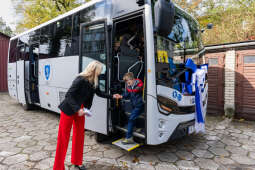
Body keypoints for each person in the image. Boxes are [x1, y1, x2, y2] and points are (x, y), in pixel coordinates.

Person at [53, 61, 115, 170]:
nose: (100, 74)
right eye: (99, 71)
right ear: (93, 70)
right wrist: (77, 109)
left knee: (79, 136)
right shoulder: (80, 79)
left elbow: (100, 93)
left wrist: (113, 96)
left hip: (82, 110)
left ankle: (77, 162)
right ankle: (58, 167)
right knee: (63, 138)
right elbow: (69, 95)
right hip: (69, 109)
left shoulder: (94, 81)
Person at [114, 72, 144, 144]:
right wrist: (120, 96)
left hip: (140, 105)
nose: (127, 83)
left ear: (133, 79)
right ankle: (137, 127)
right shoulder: (130, 86)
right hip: (134, 104)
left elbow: (137, 89)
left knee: (131, 119)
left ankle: (129, 138)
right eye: (126, 82)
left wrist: (130, 89)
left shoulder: (140, 84)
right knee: (133, 118)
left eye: (128, 81)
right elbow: (127, 94)